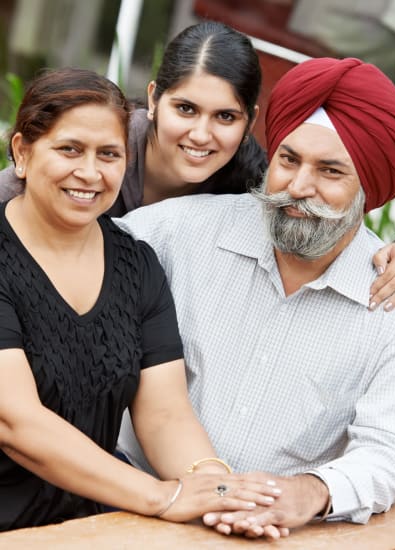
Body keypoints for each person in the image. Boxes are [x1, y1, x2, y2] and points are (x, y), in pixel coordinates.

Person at [116, 57, 395, 536]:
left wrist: (311, 492)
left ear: (368, 190)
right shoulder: (173, 233)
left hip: (272, 534)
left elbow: (390, 451)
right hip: (129, 509)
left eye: (330, 172)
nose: (298, 186)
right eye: (288, 160)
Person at [0, 67, 281, 531]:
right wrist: (161, 495)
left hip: (90, 523)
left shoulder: (137, 264)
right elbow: (16, 423)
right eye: (70, 149)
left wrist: (220, 491)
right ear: (23, 153)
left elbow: (165, 413)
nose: (89, 172)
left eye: (108, 154)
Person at [0, 21, 395, 309]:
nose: (201, 135)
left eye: (225, 117)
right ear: (153, 99)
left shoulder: (250, 183)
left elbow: (317, 212)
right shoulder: (102, 149)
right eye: (186, 109)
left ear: (251, 121)